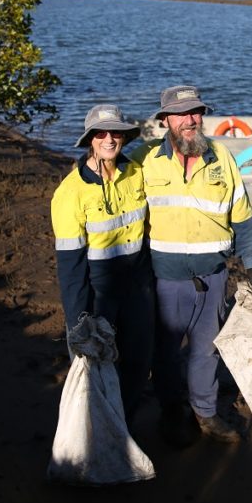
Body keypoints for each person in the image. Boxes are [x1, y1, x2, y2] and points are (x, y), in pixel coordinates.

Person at [131, 85, 252, 444]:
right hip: (166, 279)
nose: (190, 120)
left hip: (214, 276)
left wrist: (251, 264)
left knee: (207, 350)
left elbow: (243, 214)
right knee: (166, 352)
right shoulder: (143, 160)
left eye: (196, 112)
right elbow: (116, 195)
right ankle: (172, 410)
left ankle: (205, 414)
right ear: (165, 120)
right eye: (181, 114)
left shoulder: (222, 157)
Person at [50, 104, 155, 427]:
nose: (109, 140)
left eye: (116, 133)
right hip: (99, 294)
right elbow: (70, 265)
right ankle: (98, 432)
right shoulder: (70, 193)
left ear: (124, 137)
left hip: (138, 288)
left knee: (138, 361)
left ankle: (126, 425)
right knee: (97, 366)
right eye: (101, 133)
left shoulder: (135, 173)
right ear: (90, 140)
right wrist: (78, 318)